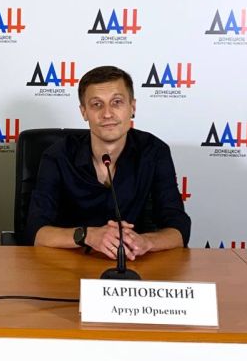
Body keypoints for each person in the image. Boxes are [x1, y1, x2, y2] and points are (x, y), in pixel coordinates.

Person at [26, 65, 190, 259]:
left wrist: (146, 241)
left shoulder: (154, 152)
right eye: (97, 104)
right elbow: (36, 232)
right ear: (84, 112)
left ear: (132, 107)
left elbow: (179, 229)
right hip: (69, 263)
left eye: (117, 102)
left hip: (132, 263)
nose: (107, 114)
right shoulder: (57, 156)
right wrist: (87, 235)